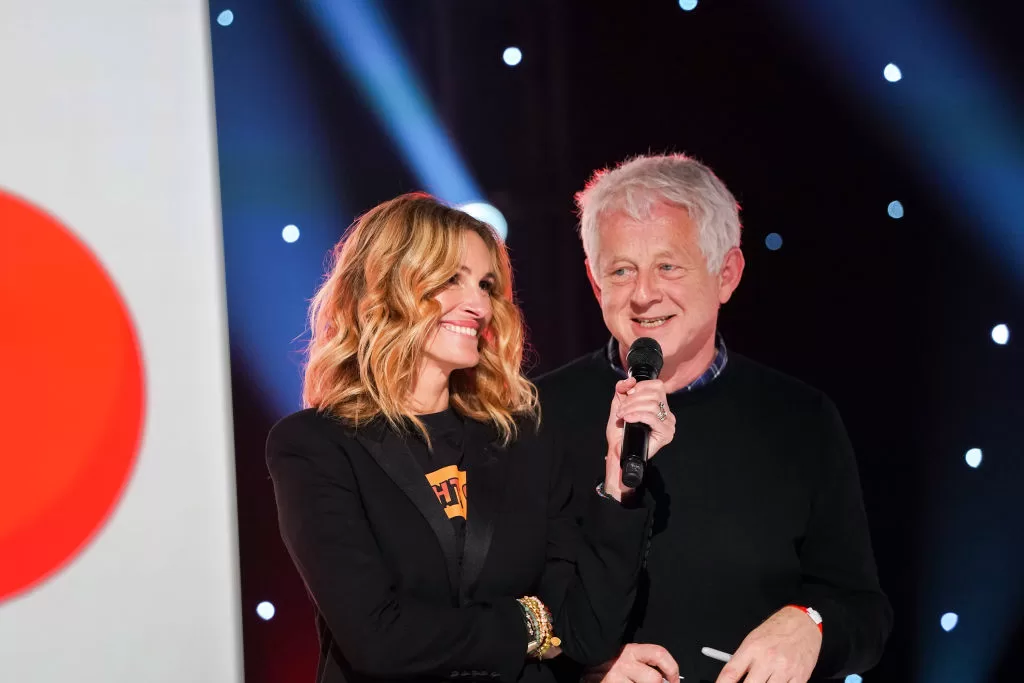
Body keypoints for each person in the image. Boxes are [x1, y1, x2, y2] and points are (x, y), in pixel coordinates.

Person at [266, 193, 678, 683]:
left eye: (485, 284)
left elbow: (586, 633)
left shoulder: (522, 437)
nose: (479, 303)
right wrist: (529, 623)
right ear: (387, 286)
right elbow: (380, 641)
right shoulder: (316, 446)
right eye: (450, 279)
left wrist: (618, 482)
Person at [536, 155, 892, 683]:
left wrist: (810, 624)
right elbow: (495, 609)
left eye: (668, 266)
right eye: (621, 270)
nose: (643, 294)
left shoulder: (801, 418)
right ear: (594, 283)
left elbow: (865, 613)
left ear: (727, 274)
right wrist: (581, 665)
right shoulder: (533, 414)